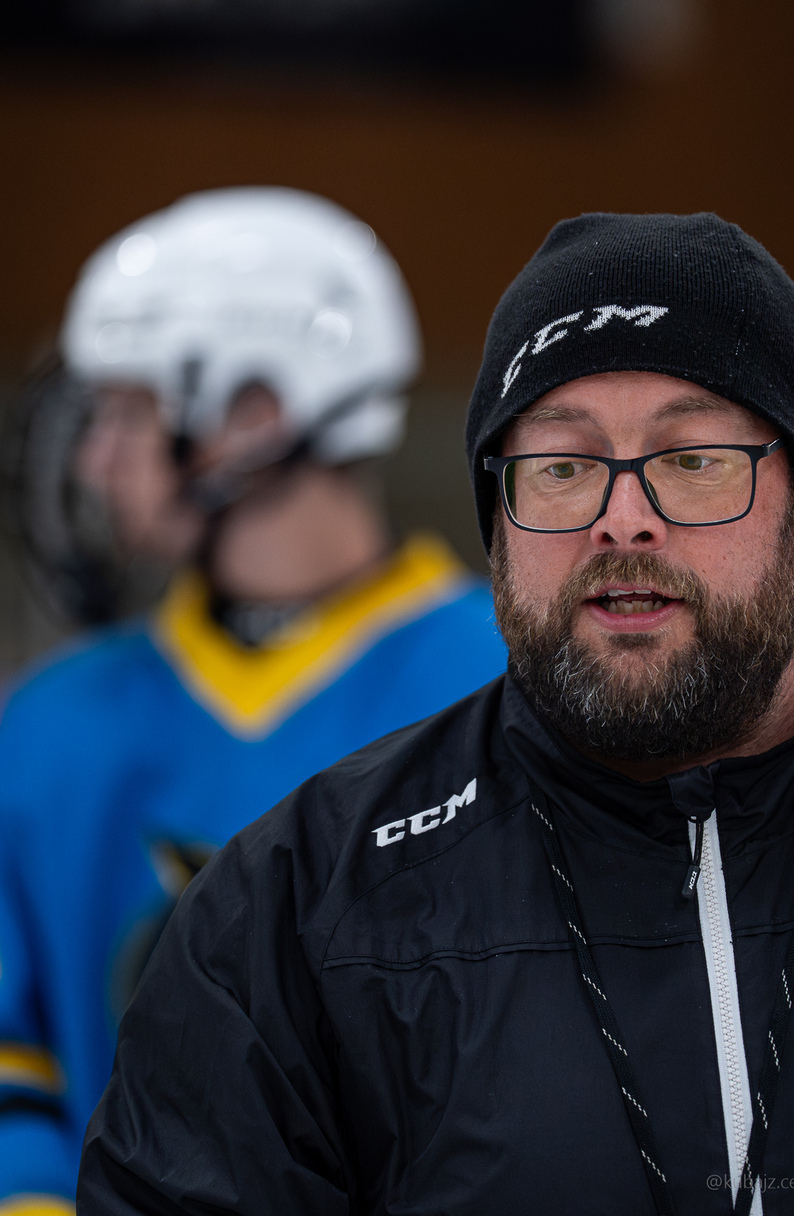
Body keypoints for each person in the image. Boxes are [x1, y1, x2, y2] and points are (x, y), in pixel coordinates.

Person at [78, 213, 794, 1216]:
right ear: (498, 526)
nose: (623, 519)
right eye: (563, 466)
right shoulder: (298, 909)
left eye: (693, 458)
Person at [0, 188, 506, 1215]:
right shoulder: (47, 722)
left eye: (128, 410)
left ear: (255, 417)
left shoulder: (515, 688)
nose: (95, 456)